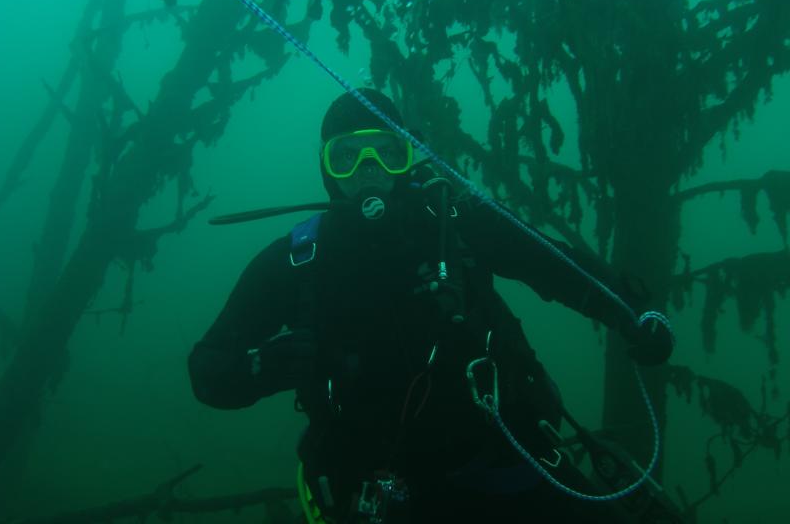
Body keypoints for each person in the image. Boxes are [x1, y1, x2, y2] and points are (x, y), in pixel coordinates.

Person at [188, 88, 674, 523]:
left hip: (506, 461)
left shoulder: (455, 222)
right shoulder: (299, 261)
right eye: (348, 157)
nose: (369, 171)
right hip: (380, 490)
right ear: (326, 169)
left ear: (407, 156)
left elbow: (553, 267)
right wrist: (265, 366)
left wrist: (633, 314)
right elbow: (207, 369)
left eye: (386, 152)